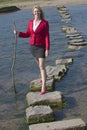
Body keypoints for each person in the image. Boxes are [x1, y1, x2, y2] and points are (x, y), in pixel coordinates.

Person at [14, 5, 50, 95]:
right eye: (35, 11)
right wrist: (18, 33)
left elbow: (46, 36)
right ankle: (44, 75)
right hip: (33, 47)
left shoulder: (45, 23)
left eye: (38, 11)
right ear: (33, 13)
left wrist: (47, 49)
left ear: (40, 12)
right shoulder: (30, 22)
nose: (36, 13)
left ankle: (43, 86)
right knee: (39, 65)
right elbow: (27, 34)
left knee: (41, 65)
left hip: (41, 47)